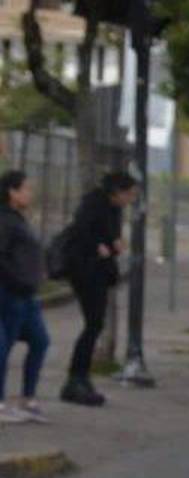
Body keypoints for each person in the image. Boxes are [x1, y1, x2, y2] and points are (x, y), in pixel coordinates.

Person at [60, 171, 136, 406]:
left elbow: (111, 235)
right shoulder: (93, 204)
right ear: (117, 191)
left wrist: (114, 243)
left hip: (101, 271)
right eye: (129, 194)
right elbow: (82, 231)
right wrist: (97, 246)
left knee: (95, 324)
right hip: (85, 269)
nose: (131, 199)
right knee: (93, 323)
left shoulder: (115, 210)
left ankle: (81, 376)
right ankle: (76, 377)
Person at [0, 171, 51, 424]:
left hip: (27, 294)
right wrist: (17, 280)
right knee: (3, 346)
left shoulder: (19, 219)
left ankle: (27, 397)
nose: (30, 193)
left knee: (40, 340)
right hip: (11, 293)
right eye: (26, 189)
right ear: (12, 192)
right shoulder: (5, 220)